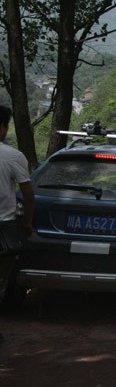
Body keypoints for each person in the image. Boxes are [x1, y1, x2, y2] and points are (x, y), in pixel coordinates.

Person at [0, 105, 34, 335]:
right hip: (4, 227)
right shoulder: (12, 156)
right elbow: (29, 196)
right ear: (2, 127)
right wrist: (27, 223)